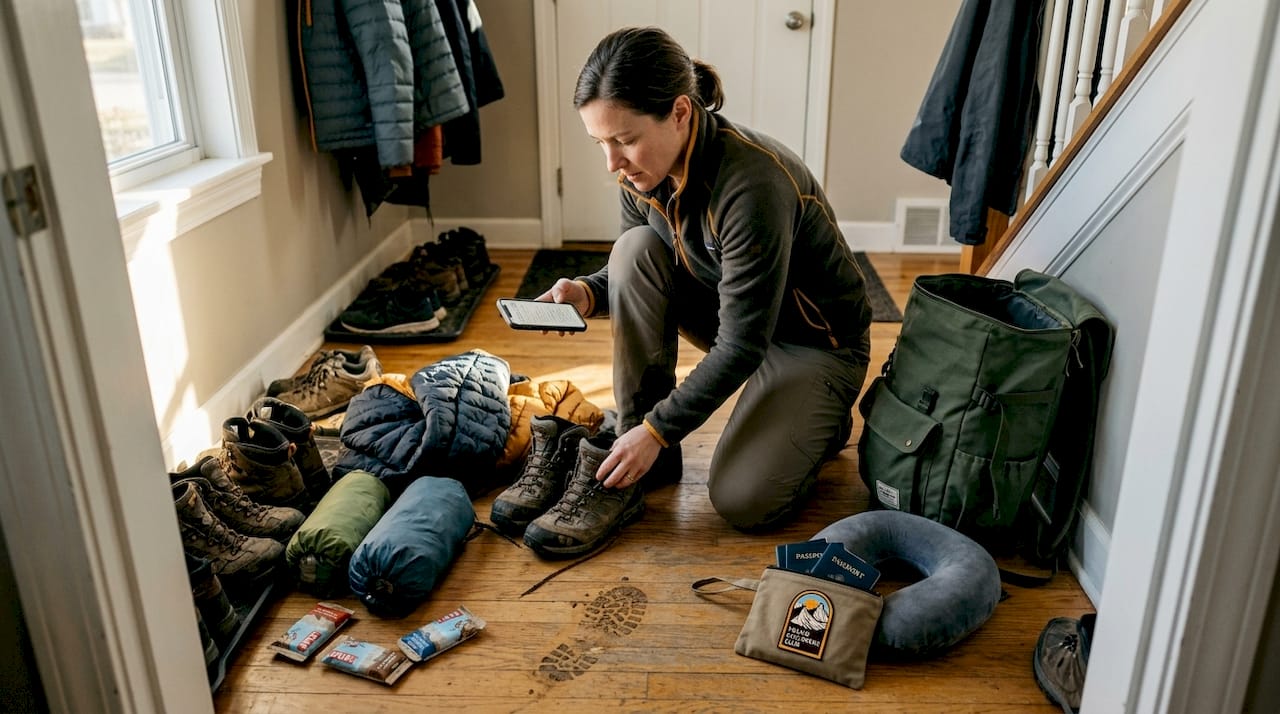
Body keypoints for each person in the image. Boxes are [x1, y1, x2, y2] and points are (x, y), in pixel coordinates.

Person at [520, 26, 873, 556]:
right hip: (737, 316)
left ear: (680, 112)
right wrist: (587, 294)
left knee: (742, 500)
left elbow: (742, 346)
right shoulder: (641, 172)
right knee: (633, 249)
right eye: (601, 143)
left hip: (814, 344)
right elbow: (639, 268)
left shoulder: (752, 183)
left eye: (624, 140)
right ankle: (644, 459)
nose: (612, 162)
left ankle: (822, 418)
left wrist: (661, 428)